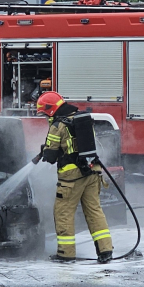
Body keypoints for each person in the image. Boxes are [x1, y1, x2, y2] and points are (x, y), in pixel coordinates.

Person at [35, 92, 113, 264]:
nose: (44, 116)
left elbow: (51, 156)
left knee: (63, 213)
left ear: (50, 109)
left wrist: (45, 151)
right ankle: (106, 251)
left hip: (71, 177)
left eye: (44, 113)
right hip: (92, 171)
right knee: (94, 211)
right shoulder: (81, 118)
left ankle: (66, 254)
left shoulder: (58, 125)